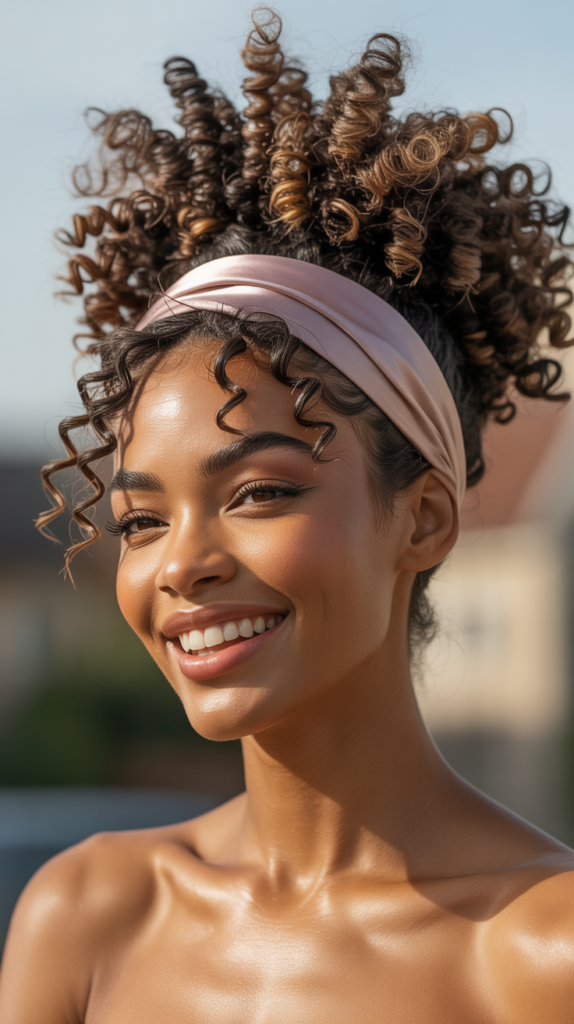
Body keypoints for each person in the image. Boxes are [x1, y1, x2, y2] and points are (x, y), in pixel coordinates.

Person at [1, 8, 574, 1021]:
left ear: (423, 520)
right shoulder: (85, 918)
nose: (182, 563)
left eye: (259, 492)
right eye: (141, 521)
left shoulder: (541, 955)